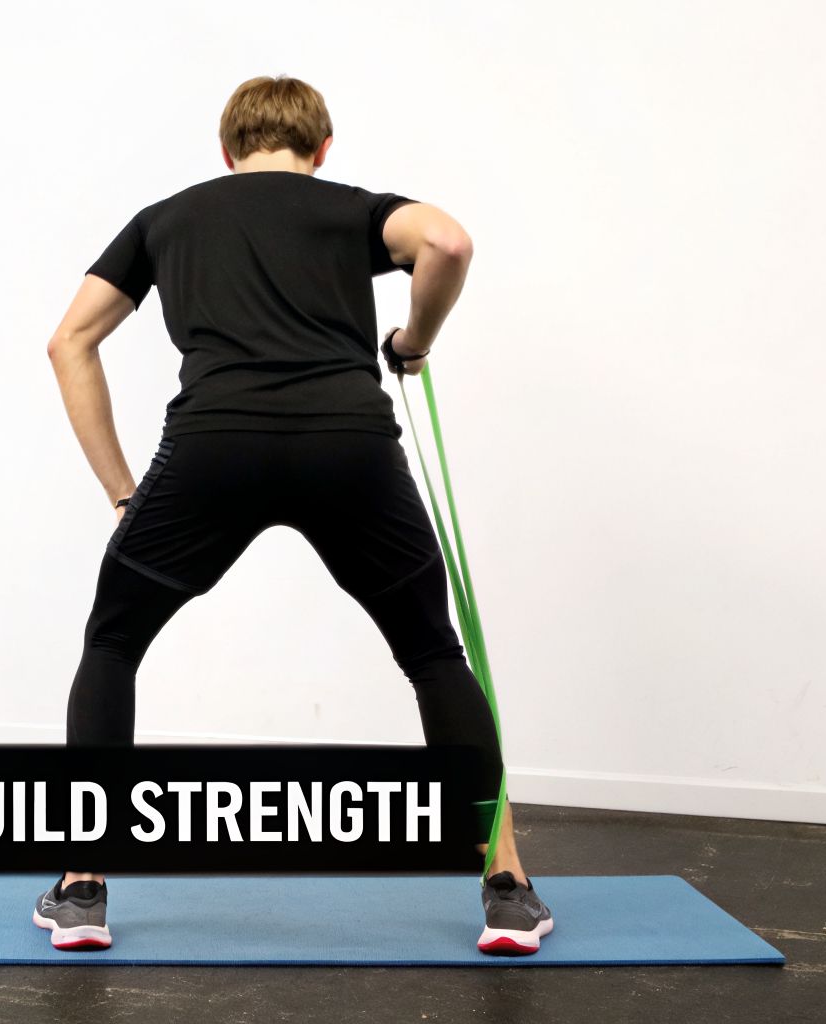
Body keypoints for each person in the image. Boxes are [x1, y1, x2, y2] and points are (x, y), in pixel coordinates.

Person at [36, 75, 552, 956]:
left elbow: (69, 339)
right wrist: (414, 341)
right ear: (322, 150)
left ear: (227, 151)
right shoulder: (350, 211)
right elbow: (450, 242)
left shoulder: (168, 218)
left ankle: (83, 887)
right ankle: (505, 885)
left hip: (213, 448)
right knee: (432, 652)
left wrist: (125, 493)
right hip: (347, 446)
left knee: (113, 643)